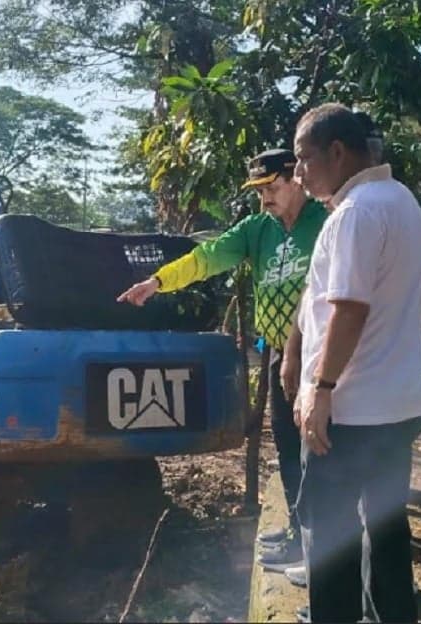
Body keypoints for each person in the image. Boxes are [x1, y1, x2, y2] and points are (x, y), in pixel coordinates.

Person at [289, 102, 421, 623]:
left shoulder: (355, 213)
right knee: (385, 530)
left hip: (348, 413)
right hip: (395, 407)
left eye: (303, 158)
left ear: (336, 152)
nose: (298, 172)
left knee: (331, 537)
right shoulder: (399, 199)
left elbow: (349, 308)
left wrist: (321, 388)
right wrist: (408, 339)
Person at [117, 148, 326, 567]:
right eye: (258, 191)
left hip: (323, 354)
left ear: (297, 179)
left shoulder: (326, 220)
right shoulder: (257, 230)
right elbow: (206, 258)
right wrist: (158, 281)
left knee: (320, 447)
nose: (264, 198)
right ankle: (300, 533)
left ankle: (327, 542)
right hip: (280, 355)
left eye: (272, 188)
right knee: (288, 446)